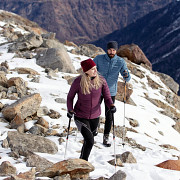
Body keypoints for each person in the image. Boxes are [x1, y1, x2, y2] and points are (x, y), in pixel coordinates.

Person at [67, 58, 116, 161]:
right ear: (86, 71)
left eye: (95, 68)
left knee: (91, 135)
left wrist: (111, 105)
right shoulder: (78, 81)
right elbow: (70, 97)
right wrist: (70, 110)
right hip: (80, 116)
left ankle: (82, 159)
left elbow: (107, 97)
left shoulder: (101, 80)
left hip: (95, 115)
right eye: (92, 69)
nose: (95, 70)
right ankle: (83, 162)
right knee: (90, 141)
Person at [93, 41, 131, 147]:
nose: (112, 52)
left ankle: (106, 136)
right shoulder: (98, 59)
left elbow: (127, 78)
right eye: (110, 50)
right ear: (107, 49)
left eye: (114, 50)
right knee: (95, 110)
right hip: (98, 89)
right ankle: (94, 129)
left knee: (109, 115)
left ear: (116, 50)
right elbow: (91, 70)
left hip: (110, 92)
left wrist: (126, 75)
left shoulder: (120, 61)